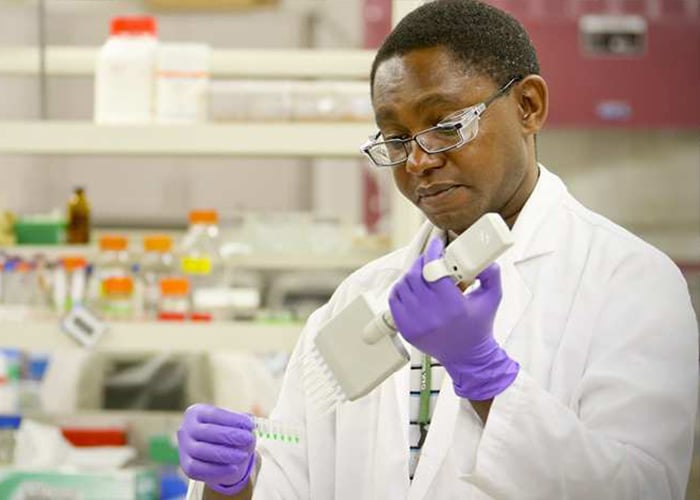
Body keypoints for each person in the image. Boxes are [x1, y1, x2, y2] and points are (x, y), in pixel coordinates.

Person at [176, 1, 699, 498]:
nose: (419, 162)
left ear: (528, 106)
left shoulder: (630, 282)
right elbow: (298, 477)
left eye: (447, 127)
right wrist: (234, 483)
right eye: (396, 139)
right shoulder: (358, 299)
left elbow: (644, 489)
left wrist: (485, 376)